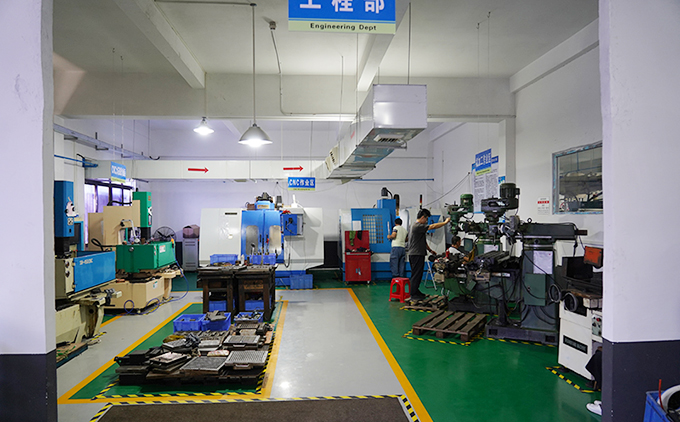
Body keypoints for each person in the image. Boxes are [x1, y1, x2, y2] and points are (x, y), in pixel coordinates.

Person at [408, 209, 450, 300]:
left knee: (418, 274)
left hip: (417, 254)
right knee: (416, 275)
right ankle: (413, 294)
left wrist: (430, 250)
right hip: (416, 254)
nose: (426, 221)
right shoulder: (417, 226)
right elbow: (433, 226)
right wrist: (445, 222)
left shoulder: (417, 227)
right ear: (423, 217)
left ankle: (416, 291)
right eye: (426, 219)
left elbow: (422, 241)